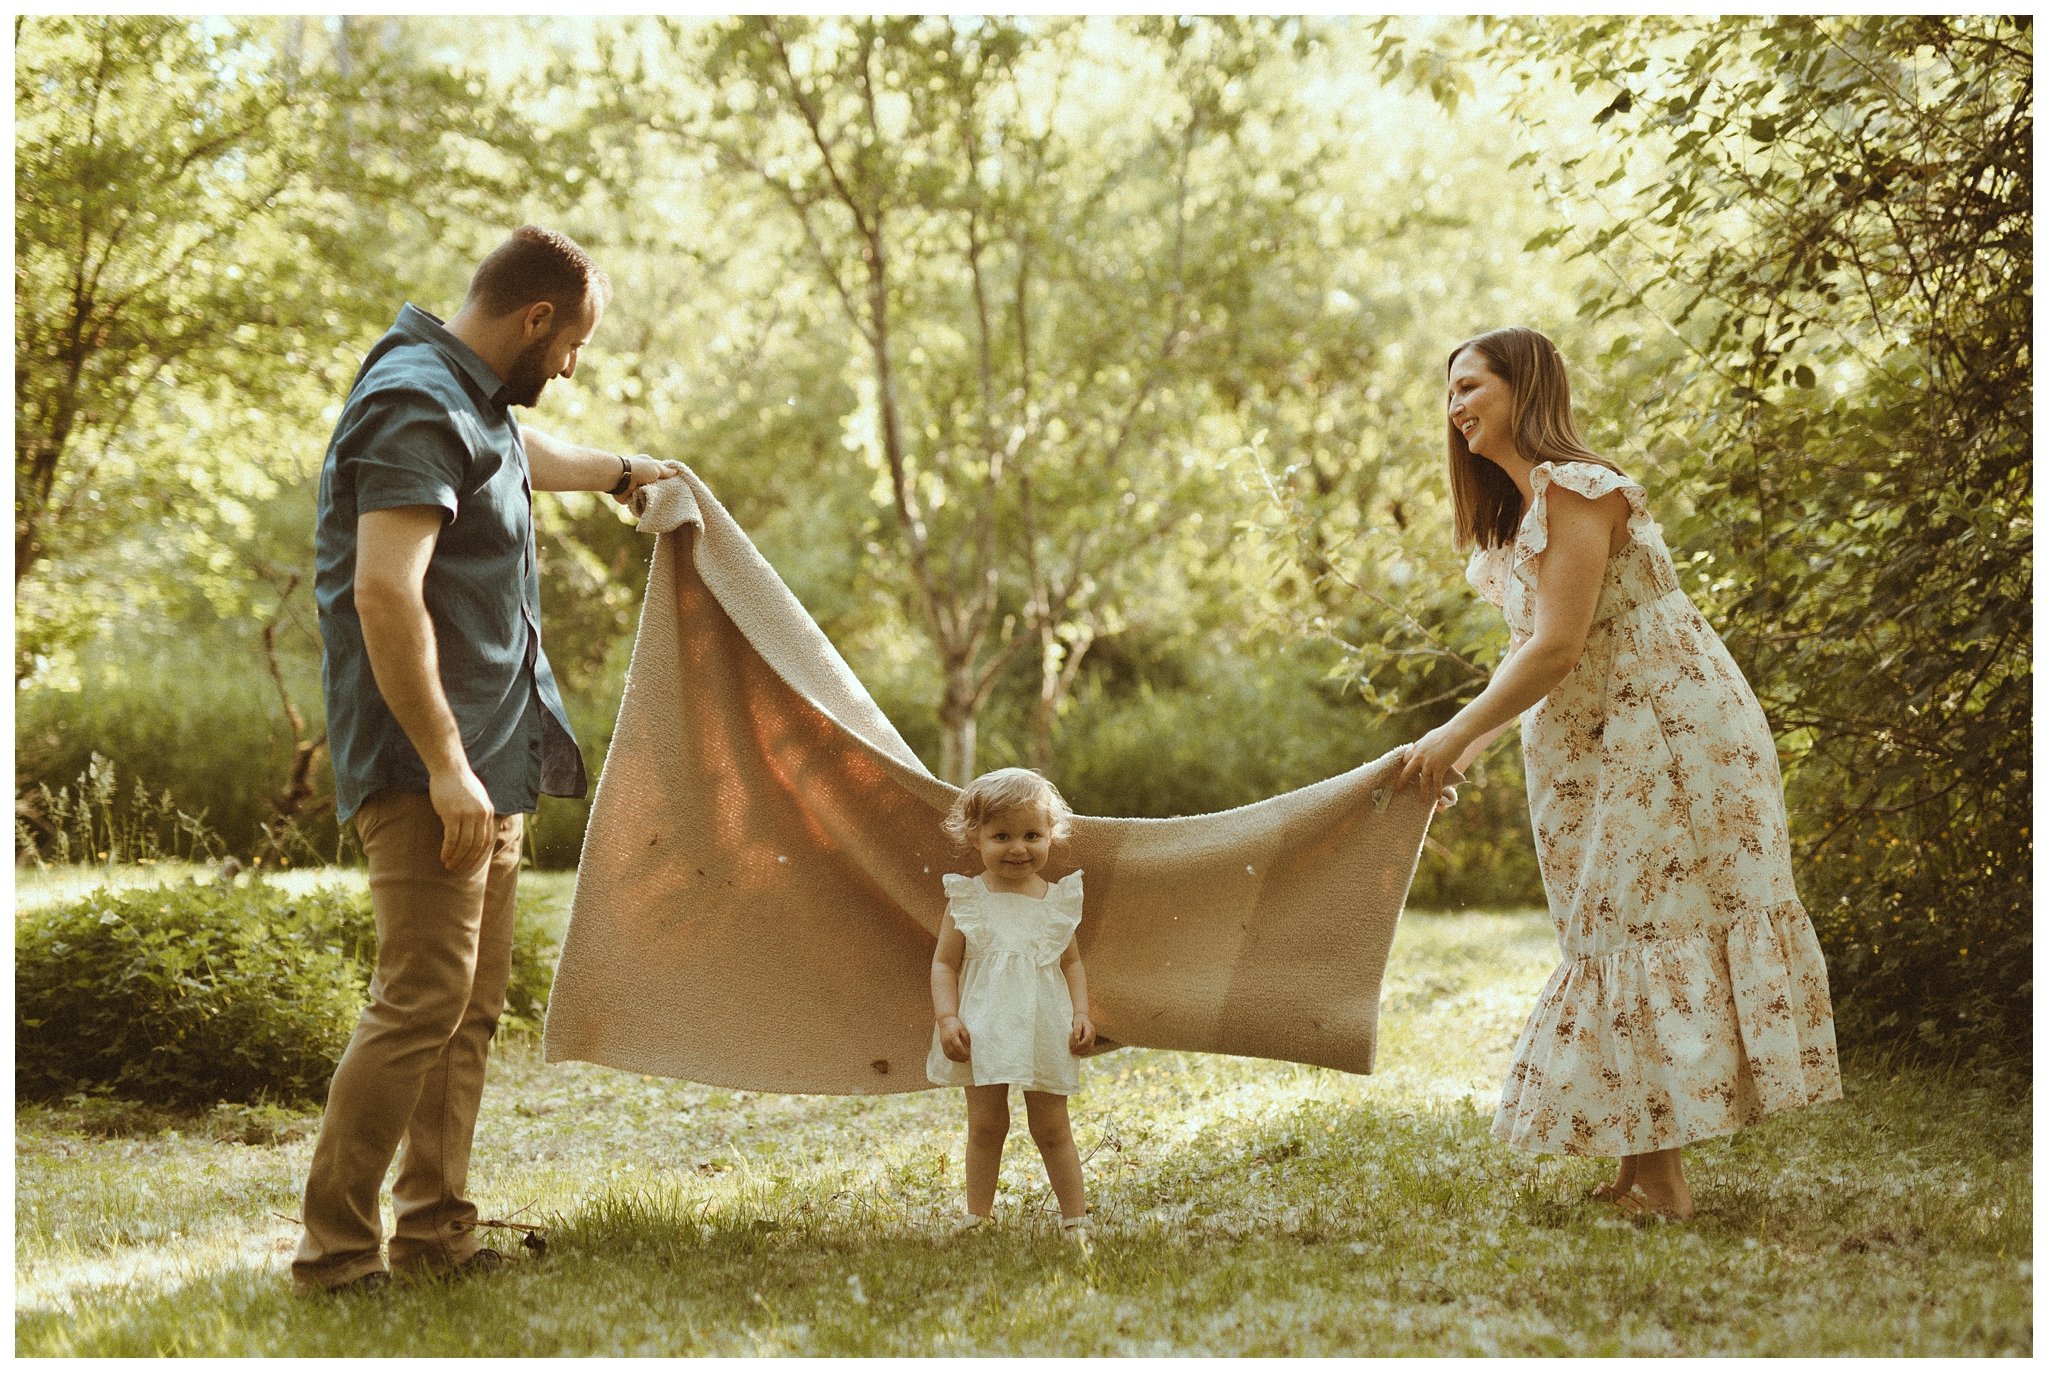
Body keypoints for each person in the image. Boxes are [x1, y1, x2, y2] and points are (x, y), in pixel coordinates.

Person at [295, 226, 681, 1294]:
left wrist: (625, 472)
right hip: (435, 764)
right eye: (572, 348)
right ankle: (332, 1256)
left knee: (465, 1005)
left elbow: (518, 454)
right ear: (537, 318)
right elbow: (384, 589)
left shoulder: (470, 400)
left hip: (488, 753)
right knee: (421, 996)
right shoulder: (416, 398)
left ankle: (435, 1231)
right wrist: (446, 766)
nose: (571, 371)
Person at [1394, 325, 1841, 1220]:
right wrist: (1464, 751)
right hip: (1594, 744)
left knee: (1636, 921)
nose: (1456, 408)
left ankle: (1664, 1180)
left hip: (1668, 734)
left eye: (1471, 387)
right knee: (1613, 930)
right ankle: (1643, 1166)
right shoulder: (1520, 520)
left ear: (1525, 388)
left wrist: (1449, 735)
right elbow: (1529, 654)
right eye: (1449, 394)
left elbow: (1559, 647)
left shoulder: (1582, 491)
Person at [927, 768, 1096, 1245]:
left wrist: (1081, 1013)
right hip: (982, 1027)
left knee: (1052, 1126)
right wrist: (948, 1017)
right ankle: (977, 1217)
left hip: (1045, 1025)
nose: (1018, 848)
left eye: (1031, 835)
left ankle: (1076, 1220)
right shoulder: (968, 898)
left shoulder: (1057, 901)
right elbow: (944, 964)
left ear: (1051, 836)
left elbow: (1072, 963)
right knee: (985, 1124)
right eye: (1001, 835)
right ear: (974, 835)